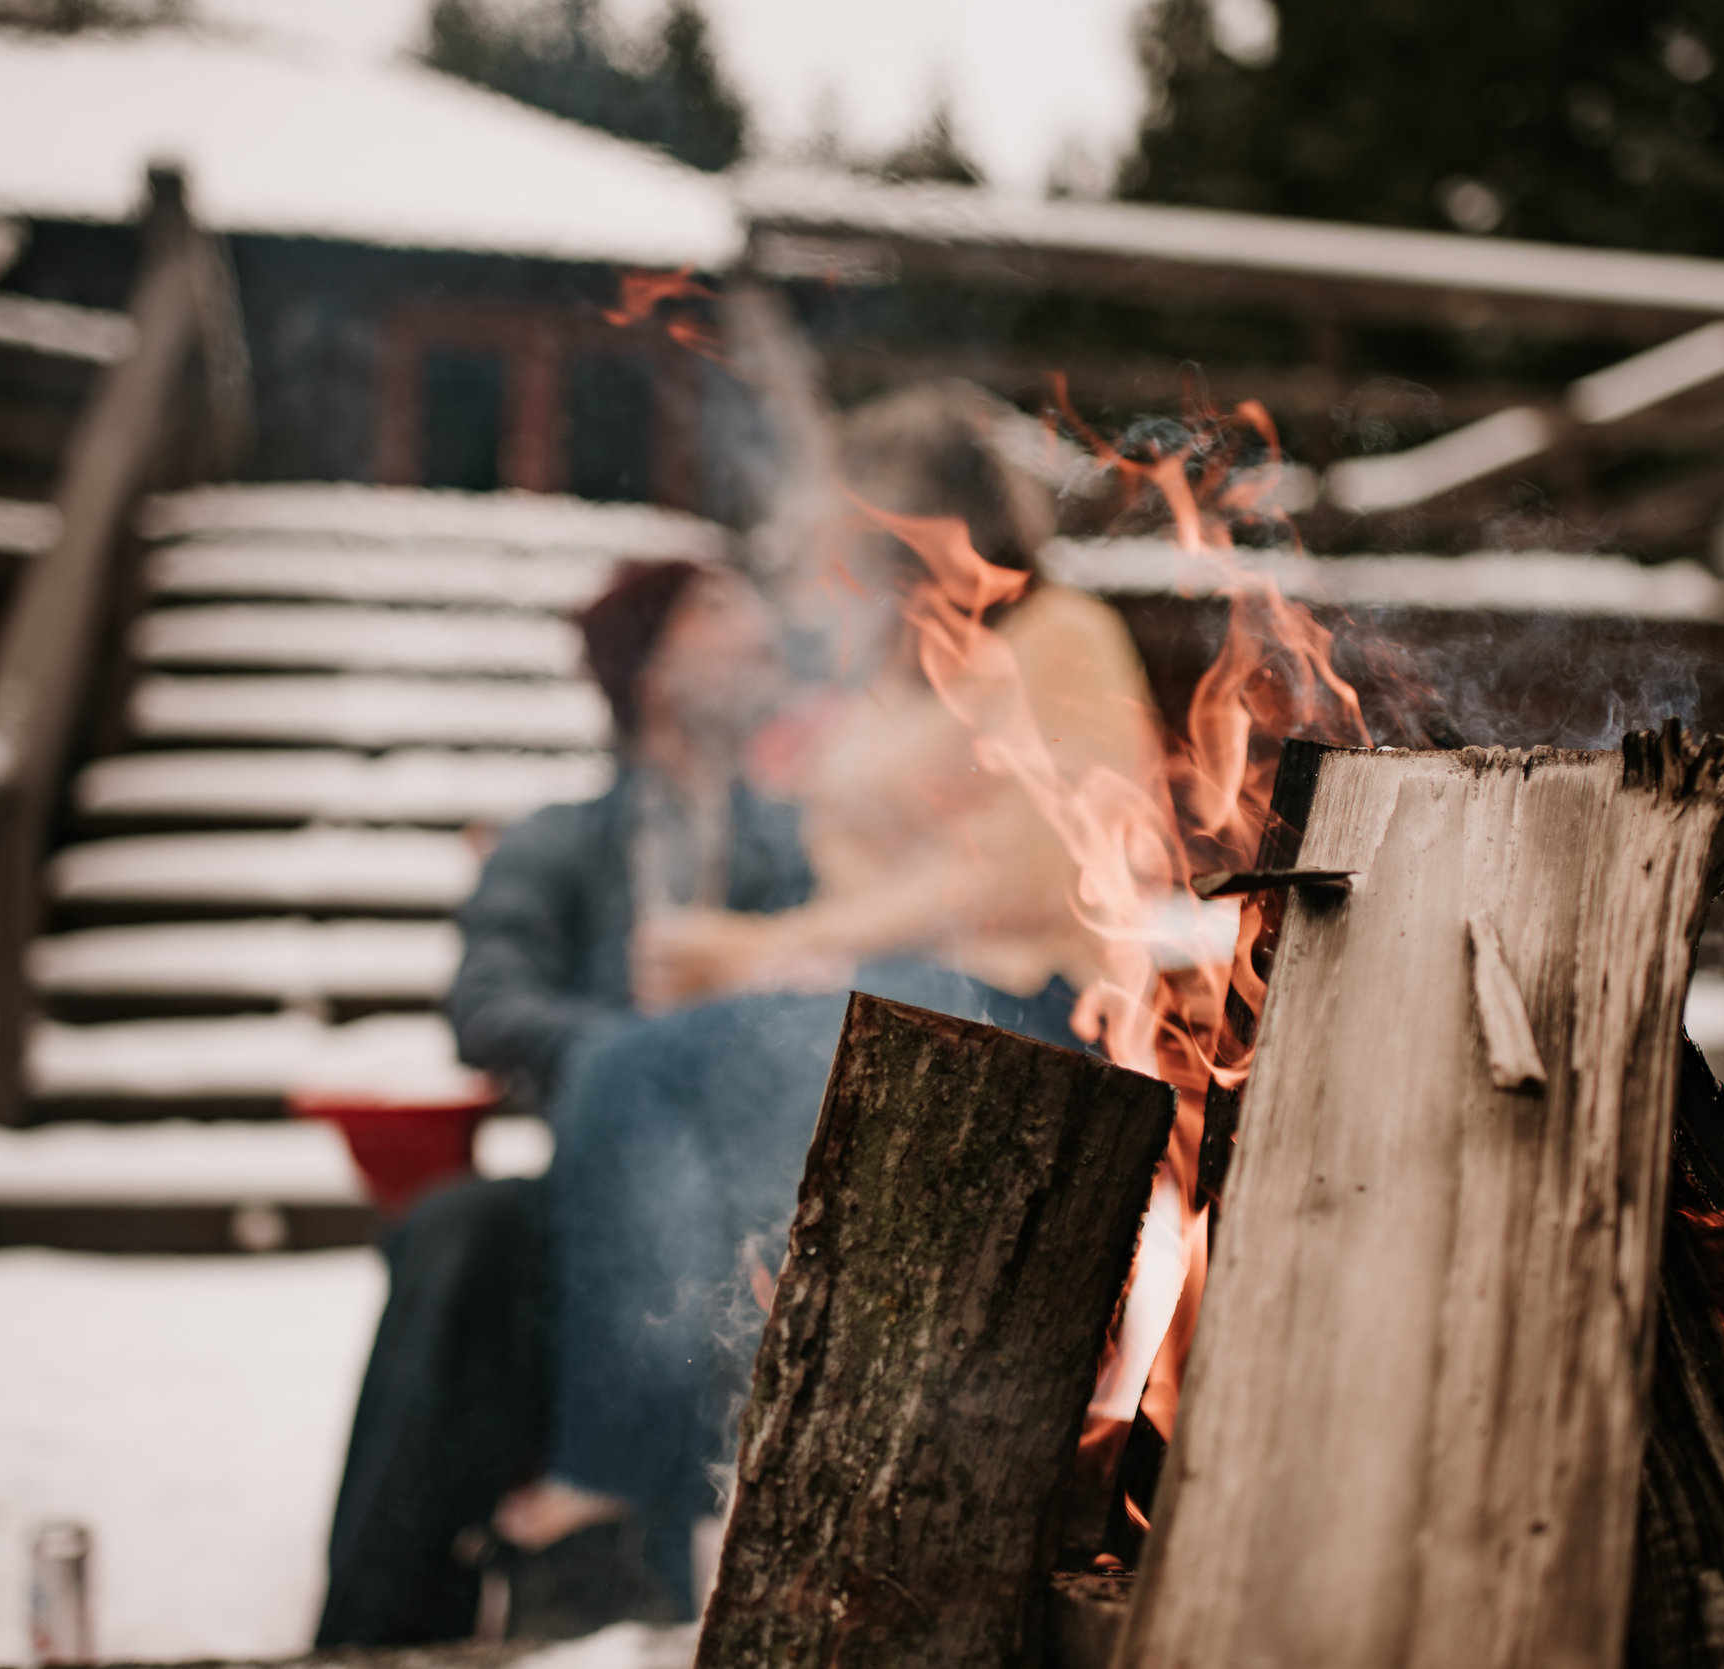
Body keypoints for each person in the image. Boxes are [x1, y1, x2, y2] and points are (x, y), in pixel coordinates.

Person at [481, 383, 1165, 1624]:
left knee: (634, 1073)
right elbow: (829, 864)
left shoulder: (1054, 637)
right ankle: (683, 1485)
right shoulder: (886, 683)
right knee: (636, 1080)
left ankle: (615, 1470)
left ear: (918, 520)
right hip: (884, 1001)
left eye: (856, 525)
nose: (832, 554)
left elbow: (1018, 870)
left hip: (1021, 999)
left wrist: (759, 948)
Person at [314, 557, 810, 1647]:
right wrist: (636, 1053)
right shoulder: (557, 841)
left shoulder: (804, 840)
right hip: (591, 1192)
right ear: (654, 666)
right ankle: (381, 1633)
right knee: (456, 1232)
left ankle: (623, 1565)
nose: (761, 627)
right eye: (720, 610)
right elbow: (486, 1003)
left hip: (769, 1208)